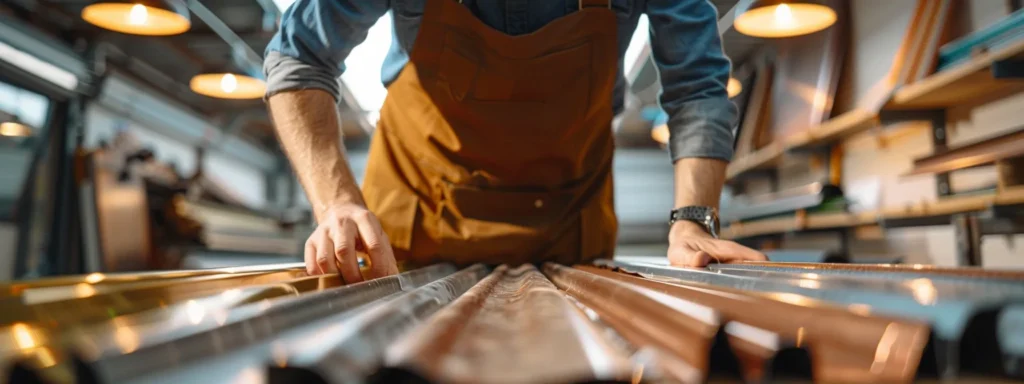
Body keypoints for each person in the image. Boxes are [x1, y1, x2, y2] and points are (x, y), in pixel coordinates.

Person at [264, 0, 767, 281]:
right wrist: (336, 202)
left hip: (569, 227)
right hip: (414, 223)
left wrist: (693, 220)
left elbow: (697, 87)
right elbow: (300, 57)